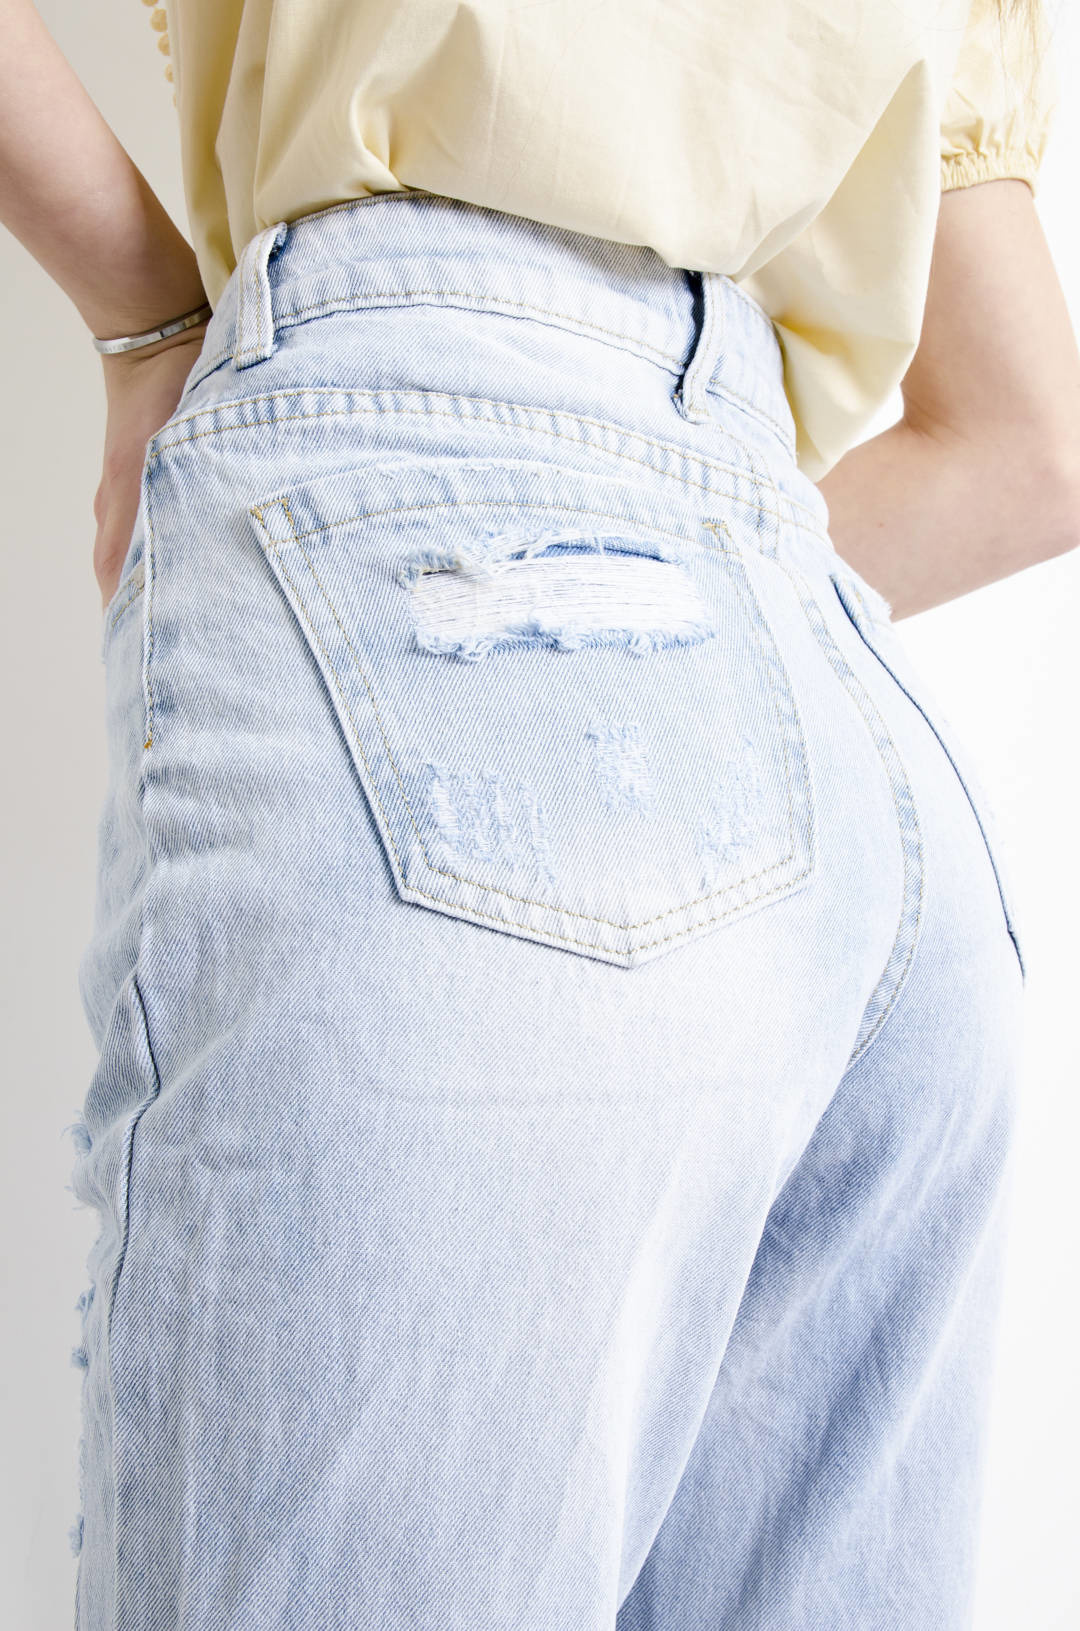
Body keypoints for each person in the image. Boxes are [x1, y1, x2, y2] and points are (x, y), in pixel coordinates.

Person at [2, 0, 1075, 1625]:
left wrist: (149, 320)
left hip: (444, 493)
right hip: (854, 762)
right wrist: (688, 641)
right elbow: (1031, 445)